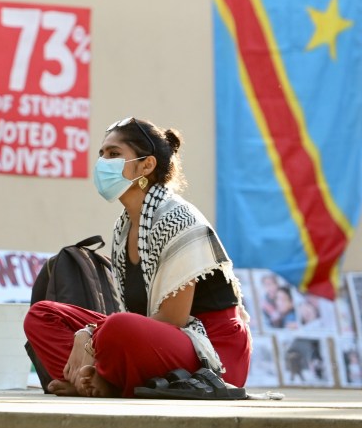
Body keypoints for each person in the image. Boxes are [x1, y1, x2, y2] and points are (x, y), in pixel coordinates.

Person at [24, 116, 252, 397]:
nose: (103, 163)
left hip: (211, 352)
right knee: (43, 316)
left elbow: (173, 319)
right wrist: (94, 335)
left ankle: (107, 381)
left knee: (117, 328)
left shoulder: (176, 217)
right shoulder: (124, 227)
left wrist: (90, 335)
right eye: (102, 154)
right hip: (158, 341)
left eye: (114, 154)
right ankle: (96, 380)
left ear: (147, 164)